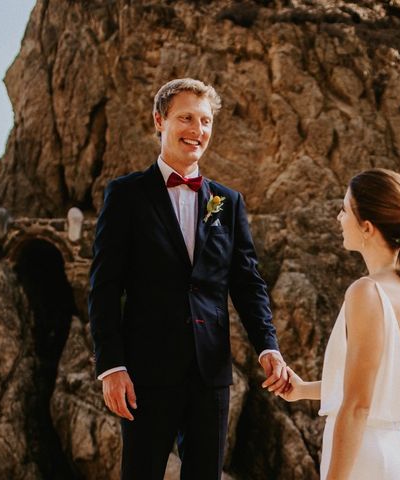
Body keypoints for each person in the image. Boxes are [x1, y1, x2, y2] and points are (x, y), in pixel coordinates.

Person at [89, 78, 288, 480]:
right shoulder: (126, 195)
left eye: (206, 121)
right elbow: (105, 286)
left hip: (210, 373)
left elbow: (247, 283)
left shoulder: (227, 203)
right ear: (159, 121)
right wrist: (111, 366)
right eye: (186, 118)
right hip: (144, 374)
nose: (197, 131)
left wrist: (268, 346)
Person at [279, 168, 400, 479]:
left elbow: (358, 406)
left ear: (366, 227)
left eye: (345, 209)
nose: (339, 218)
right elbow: (372, 387)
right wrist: (302, 390)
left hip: (364, 457)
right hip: (395, 453)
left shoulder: (367, 292)